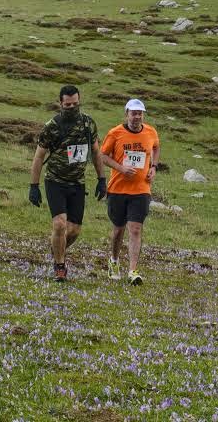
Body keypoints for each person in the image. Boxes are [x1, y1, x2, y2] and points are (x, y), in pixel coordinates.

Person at [29, 85, 107, 282]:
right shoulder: (52, 126)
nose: (72, 107)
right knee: (60, 224)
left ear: (79, 101)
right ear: (61, 103)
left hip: (77, 183)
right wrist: (34, 186)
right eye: (67, 105)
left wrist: (101, 180)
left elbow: (96, 152)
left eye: (75, 104)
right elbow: (39, 156)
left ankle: (57, 250)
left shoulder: (88, 123)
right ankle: (60, 266)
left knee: (74, 231)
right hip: (55, 180)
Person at [100, 99, 160, 285]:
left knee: (135, 228)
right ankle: (114, 260)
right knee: (118, 229)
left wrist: (154, 167)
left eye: (140, 113)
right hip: (118, 189)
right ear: (126, 114)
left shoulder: (150, 132)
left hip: (141, 189)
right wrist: (121, 168)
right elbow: (102, 156)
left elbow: (156, 147)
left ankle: (133, 271)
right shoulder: (115, 133)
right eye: (133, 113)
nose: (137, 117)